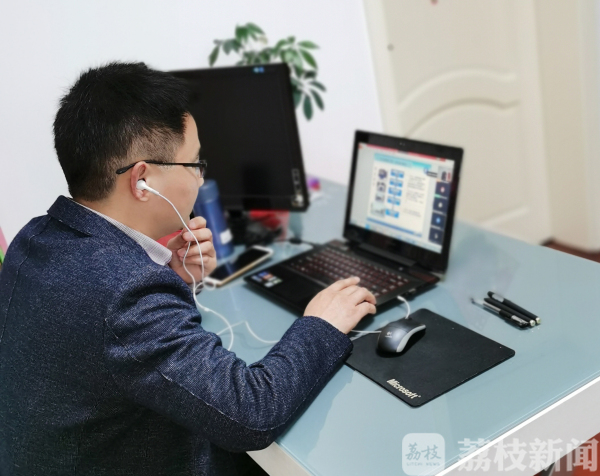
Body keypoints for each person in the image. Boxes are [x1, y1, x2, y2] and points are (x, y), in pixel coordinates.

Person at [0, 62, 376, 476]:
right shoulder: (126, 293)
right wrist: (321, 324)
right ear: (142, 182)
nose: (200, 178)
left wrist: (172, 278)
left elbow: (105, 340)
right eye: (194, 163)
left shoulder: (34, 238)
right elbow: (251, 413)